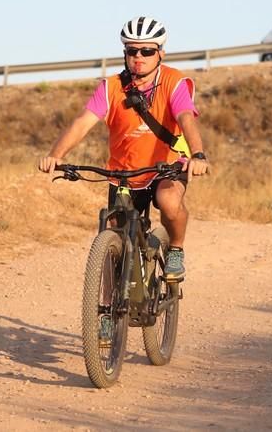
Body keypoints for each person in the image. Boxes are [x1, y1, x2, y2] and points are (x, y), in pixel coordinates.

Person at [38, 16, 209, 282]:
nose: (138, 57)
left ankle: (175, 249)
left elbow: (186, 118)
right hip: (124, 171)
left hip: (166, 166)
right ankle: (106, 315)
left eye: (147, 51)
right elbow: (82, 123)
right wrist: (56, 156)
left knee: (169, 202)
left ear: (160, 53)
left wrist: (197, 155)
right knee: (112, 234)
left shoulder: (173, 82)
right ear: (125, 53)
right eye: (132, 50)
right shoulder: (111, 87)